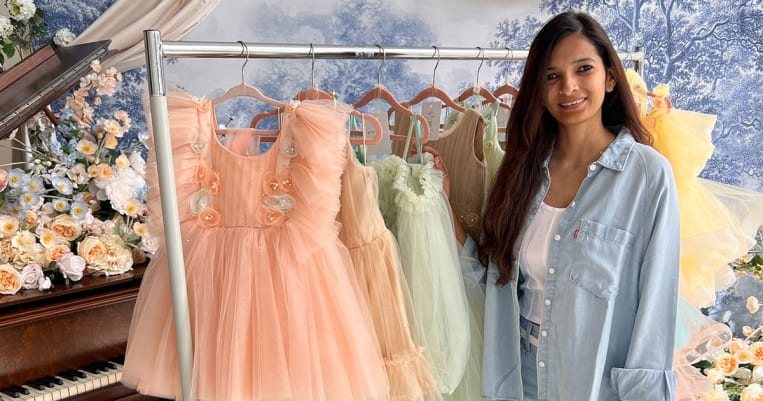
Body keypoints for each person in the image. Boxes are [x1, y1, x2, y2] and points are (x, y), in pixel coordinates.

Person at [446, 11, 681, 401]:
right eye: (552, 76)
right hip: (517, 374)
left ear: (609, 77)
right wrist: (442, 203)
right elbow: (495, 278)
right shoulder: (521, 171)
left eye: (583, 69)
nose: (568, 87)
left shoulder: (646, 175)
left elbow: (656, 306)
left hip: (592, 381)